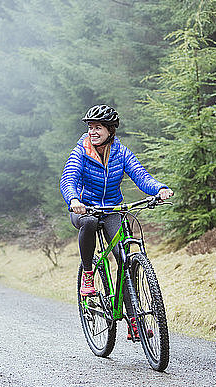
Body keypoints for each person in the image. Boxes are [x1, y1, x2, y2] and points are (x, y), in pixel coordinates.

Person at [60, 104, 173, 338]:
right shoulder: (81, 151)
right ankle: (89, 274)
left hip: (112, 209)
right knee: (89, 223)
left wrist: (159, 189)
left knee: (125, 261)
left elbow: (141, 176)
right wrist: (73, 199)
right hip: (84, 207)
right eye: (90, 127)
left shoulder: (121, 153)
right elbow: (68, 178)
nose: (92, 131)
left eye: (98, 127)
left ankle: (134, 323)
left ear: (110, 130)